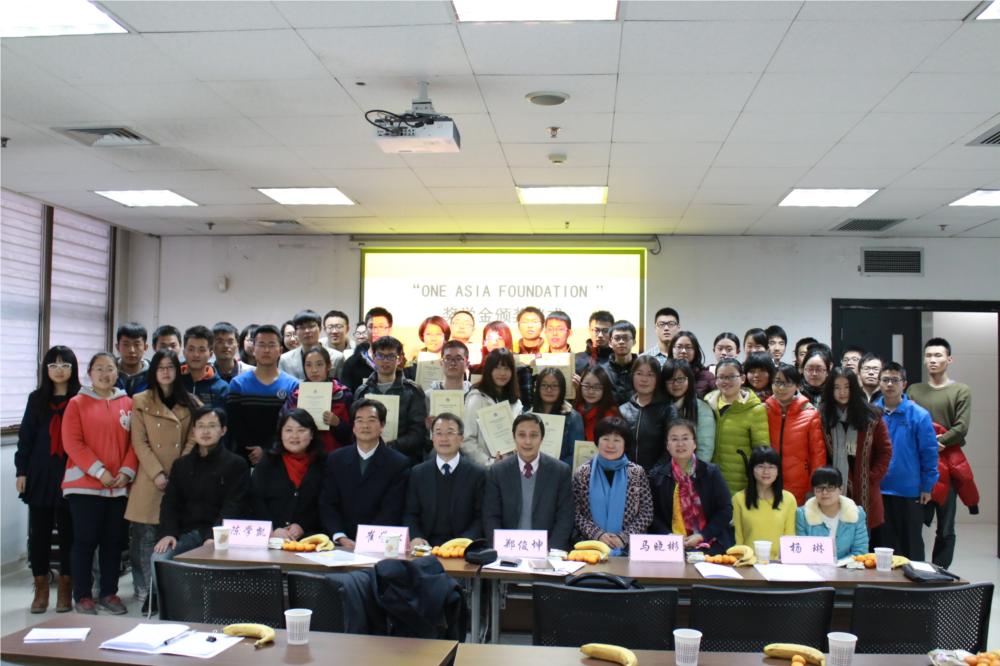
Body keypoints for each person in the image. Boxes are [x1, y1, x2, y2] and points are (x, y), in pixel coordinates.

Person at [61, 352, 136, 615]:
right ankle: (82, 595)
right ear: (90, 373)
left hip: (118, 487)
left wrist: (126, 472)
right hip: (85, 485)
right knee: (85, 540)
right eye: (99, 369)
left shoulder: (128, 403)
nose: (105, 374)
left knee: (113, 542)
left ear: (118, 372)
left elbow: (135, 443)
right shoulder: (77, 403)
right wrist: (99, 471)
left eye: (110, 368)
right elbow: (72, 442)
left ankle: (109, 593)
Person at [125, 349, 199, 614]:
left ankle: (169, 592)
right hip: (149, 477)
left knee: (174, 537)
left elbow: (193, 438)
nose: (166, 372)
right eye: (160, 367)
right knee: (144, 537)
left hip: (180, 478)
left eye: (170, 367)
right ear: (153, 372)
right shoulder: (140, 400)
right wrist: (157, 473)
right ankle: (147, 591)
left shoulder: (191, 401)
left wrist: (178, 471)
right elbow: (139, 441)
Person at [16, 346, 80, 614]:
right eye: (53, 365)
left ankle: (66, 589)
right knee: (39, 535)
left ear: (73, 369)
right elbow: (26, 437)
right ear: (46, 369)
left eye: (65, 365)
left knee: (69, 533)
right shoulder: (36, 399)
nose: (59, 370)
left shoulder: (80, 398)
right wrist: (21, 471)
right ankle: (41, 588)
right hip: (40, 473)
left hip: (72, 473)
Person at [906, 338, 971, 569]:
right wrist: (926, 446)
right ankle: (915, 569)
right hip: (918, 465)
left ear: (949, 359)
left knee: (945, 526)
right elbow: (908, 423)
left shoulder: (961, 390)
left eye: (938, 355)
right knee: (914, 522)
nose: (933, 360)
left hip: (948, 464)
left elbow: (961, 427)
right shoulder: (914, 390)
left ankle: (940, 571)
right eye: (929, 356)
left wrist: (938, 442)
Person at [152, 406, 249, 560]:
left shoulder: (236, 464)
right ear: (194, 431)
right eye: (201, 426)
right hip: (185, 534)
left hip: (220, 535)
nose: (205, 431)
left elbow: (234, 506)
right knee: (159, 557)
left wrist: (214, 536)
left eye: (212, 426)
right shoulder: (181, 465)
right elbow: (170, 503)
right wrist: (168, 533)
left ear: (223, 430)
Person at [319, 399, 410, 549]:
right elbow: (328, 503)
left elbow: (391, 509)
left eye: (372, 420)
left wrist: (366, 540)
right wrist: (340, 536)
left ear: (382, 425)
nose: (365, 426)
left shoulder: (398, 463)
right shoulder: (335, 459)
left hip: (378, 543)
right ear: (353, 427)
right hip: (340, 543)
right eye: (359, 420)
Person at [872, 363, 938, 561]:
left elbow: (929, 453)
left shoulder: (919, 415)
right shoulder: (871, 413)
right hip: (878, 489)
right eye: (885, 380)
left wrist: (927, 486)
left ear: (904, 384)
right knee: (880, 544)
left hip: (909, 490)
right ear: (879, 383)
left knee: (910, 544)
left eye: (895, 380)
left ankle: (915, 580)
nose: (890, 384)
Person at [482, 414, 574, 551]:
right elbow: (491, 517)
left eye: (534, 435)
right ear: (514, 437)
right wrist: (500, 548)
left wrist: (551, 552)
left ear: (542, 438)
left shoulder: (560, 471)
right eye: (522, 435)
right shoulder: (497, 472)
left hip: (547, 551)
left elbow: (565, 517)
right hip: (507, 549)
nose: (527, 441)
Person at [820, 367, 892, 532]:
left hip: (864, 486)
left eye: (847, 387)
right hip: (833, 486)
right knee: (833, 534)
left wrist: (872, 476)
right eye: (837, 387)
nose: (842, 392)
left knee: (863, 536)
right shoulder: (823, 416)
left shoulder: (871, 416)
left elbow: (885, 451)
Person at [648, 419, 733, 554]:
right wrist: (668, 536)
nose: (680, 444)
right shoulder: (657, 476)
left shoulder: (710, 473)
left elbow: (725, 510)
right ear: (667, 445)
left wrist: (702, 535)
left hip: (711, 543)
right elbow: (652, 514)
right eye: (674, 439)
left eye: (685, 438)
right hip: (671, 546)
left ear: (694, 443)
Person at [571, 416, 653, 555]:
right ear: (597, 441)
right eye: (605, 439)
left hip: (629, 549)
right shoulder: (583, 473)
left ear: (625, 443)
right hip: (591, 547)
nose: (610, 445)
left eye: (617, 440)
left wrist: (623, 537)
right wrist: (597, 534)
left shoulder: (637, 473)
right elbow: (575, 513)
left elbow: (646, 513)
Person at [405, 413, 486, 547]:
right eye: (438, 433)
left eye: (450, 433)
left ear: (461, 438)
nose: (444, 439)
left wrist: (464, 542)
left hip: (462, 548)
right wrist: (416, 537)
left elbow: (480, 517)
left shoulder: (477, 474)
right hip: (425, 547)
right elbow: (410, 513)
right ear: (432, 438)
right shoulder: (418, 473)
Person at [226, 324, 299, 466]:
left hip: (281, 456)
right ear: (253, 349)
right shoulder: (238, 384)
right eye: (261, 345)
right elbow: (235, 424)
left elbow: (292, 424)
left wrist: (268, 449)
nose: (266, 350)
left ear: (280, 350)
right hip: (244, 457)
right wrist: (253, 450)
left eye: (271, 345)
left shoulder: (292, 385)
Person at [250, 409, 327, 540]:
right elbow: (255, 499)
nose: (294, 436)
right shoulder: (268, 461)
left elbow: (326, 504)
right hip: (271, 538)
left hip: (310, 539)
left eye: (301, 430)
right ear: (281, 434)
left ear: (312, 434)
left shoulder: (323, 464)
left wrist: (303, 526)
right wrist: (272, 529)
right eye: (289, 430)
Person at [354, 335, 429, 466]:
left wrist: (389, 446)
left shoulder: (413, 391)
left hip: (403, 459)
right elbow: (355, 427)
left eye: (391, 356)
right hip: (368, 457)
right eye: (380, 356)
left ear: (399, 359)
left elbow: (418, 433)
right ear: (373, 357)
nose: (385, 361)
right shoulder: (362, 391)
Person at [704, 358, 770, 495]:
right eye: (721, 377)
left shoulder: (755, 409)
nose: (726, 381)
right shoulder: (707, 403)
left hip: (741, 481)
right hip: (709, 478)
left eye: (731, 377)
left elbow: (761, 451)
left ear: (743, 379)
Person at [764, 363, 825, 505]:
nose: (781, 388)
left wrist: (815, 485)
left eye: (787, 383)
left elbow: (817, 455)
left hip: (800, 484)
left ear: (797, 385)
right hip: (767, 481)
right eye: (777, 382)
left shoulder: (810, 414)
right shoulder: (763, 411)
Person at [282, 346, 353, 452]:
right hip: (303, 455)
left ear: (328, 366)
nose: (314, 370)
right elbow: (282, 425)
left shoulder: (343, 394)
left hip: (334, 455)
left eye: (319, 364)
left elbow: (354, 434)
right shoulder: (296, 395)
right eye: (308, 365)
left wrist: (338, 424)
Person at [731, 446, 796, 561]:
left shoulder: (789, 499)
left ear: (778, 471)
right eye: (761, 466)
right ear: (752, 469)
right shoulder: (739, 499)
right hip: (748, 562)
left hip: (778, 564)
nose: (766, 472)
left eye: (771, 467)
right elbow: (738, 539)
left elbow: (790, 538)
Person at [462, 349, 523, 466]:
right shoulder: (476, 398)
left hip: (511, 466)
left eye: (507, 368)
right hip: (484, 469)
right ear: (489, 370)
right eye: (497, 368)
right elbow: (467, 440)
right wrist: (489, 463)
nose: (502, 373)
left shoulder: (516, 402)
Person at [617, 356, 677, 471]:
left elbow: (671, 446)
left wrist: (654, 473)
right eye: (639, 373)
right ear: (632, 376)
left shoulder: (667, 410)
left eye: (650, 375)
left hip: (657, 476)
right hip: (625, 474)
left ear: (657, 379)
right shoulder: (623, 410)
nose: (644, 379)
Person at [795, 467, 869, 559]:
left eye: (830, 487)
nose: (824, 492)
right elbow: (801, 552)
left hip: (847, 566)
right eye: (819, 488)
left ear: (840, 489)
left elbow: (860, 553)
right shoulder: (802, 515)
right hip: (813, 566)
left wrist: (838, 565)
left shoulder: (856, 514)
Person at [661, 358, 715, 462]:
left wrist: (692, 470)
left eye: (681, 379)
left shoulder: (701, 408)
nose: (676, 384)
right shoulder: (660, 406)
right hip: (662, 468)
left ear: (689, 380)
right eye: (670, 379)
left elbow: (705, 449)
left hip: (690, 468)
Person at [528, 367, 585, 466]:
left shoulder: (573, 418)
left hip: (560, 472)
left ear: (561, 389)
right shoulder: (528, 416)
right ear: (537, 388)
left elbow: (576, 454)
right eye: (544, 385)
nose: (549, 389)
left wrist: (553, 468)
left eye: (554, 386)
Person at [279, 309, 345, 381]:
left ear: (320, 328)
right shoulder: (285, 360)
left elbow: (341, 385)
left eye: (311, 326)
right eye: (302, 327)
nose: (307, 331)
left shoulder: (336, 357)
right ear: (296, 332)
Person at [341, 307, 393, 392]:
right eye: (371, 326)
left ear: (389, 329)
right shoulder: (352, 363)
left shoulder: (399, 363)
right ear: (366, 329)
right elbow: (347, 396)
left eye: (381, 326)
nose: (375, 331)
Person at [180, 325, 229, 408]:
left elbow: (223, 416)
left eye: (201, 350)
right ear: (184, 352)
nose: (196, 354)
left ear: (210, 354)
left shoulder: (222, 388)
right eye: (191, 349)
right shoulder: (173, 382)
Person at [574, 365, 620, 442]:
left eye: (597, 387)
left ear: (605, 388)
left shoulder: (611, 416)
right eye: (586, 386)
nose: (591, 391)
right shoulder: (574, 410)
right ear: (580, 386)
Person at [667, 330, 715, 398]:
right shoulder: (664, 375)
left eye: (688, 347)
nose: (683, 351)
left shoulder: (707, 377)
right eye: (679, 347)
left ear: (695, 351)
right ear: (672, 349)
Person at [405, 315, 450, 381]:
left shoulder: (453, 363)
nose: (433, 339)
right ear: (422, 335)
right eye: (428, 334)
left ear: (445, 336)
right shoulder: (411, 366)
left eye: (438, 334)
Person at [603, 320, 638, 405]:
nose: (621, 342)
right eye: (617, 338)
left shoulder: (642, 369)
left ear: (634, 342)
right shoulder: (602, 371)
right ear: (610, 342)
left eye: (626, 338)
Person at [574, 310, 615, 376]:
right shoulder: (576, 359)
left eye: (605, 331)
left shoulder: (616, 359)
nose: (600, 335)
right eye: (596, 330)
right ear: (589, 330)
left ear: (612, 332)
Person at [114, 322, 149, 396]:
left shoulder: (154, 374)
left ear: (145, 347)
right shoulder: (108, 372)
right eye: (126, 344)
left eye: (137, 344)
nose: (131, 350)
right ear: (117, 347)